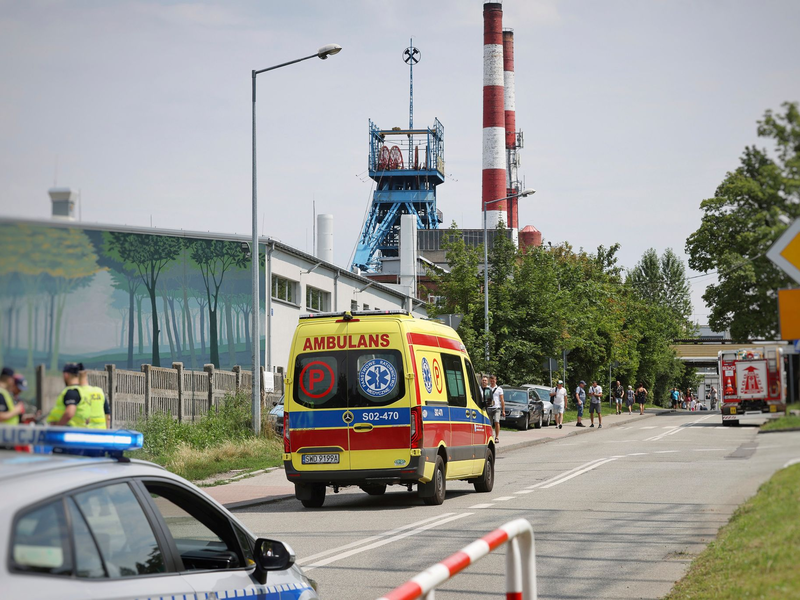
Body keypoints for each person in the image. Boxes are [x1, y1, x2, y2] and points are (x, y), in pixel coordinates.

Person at [47, 363, 91, 427]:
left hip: (68, 432)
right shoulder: (83, 391)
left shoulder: (71, 392)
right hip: (79, 431)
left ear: (66, 375)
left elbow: (69, 413)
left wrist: (57, 427)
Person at [488, 375, 505, 444]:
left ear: (496, 380)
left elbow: (502, 400)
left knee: (496, 421)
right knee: (489, 423)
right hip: (489, 407)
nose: (492, 382)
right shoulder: (488, 388)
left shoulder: (499, 389)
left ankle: (497, 437)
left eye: (493, 380)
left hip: (497, 407)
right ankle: (490, 436)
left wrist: (503, 410)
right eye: (491, 381)